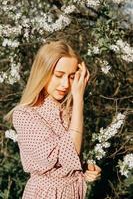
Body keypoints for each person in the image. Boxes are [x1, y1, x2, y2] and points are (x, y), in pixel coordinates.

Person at [5, 40, 101, 199]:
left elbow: (68, 158)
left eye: (71, 77)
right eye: (58, 75)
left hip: (73, 192)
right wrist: (79, 100)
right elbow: (64, 153)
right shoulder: (25, 115)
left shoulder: (67, 111)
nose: (65, 84)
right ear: (43, 72)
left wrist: (82, 169)